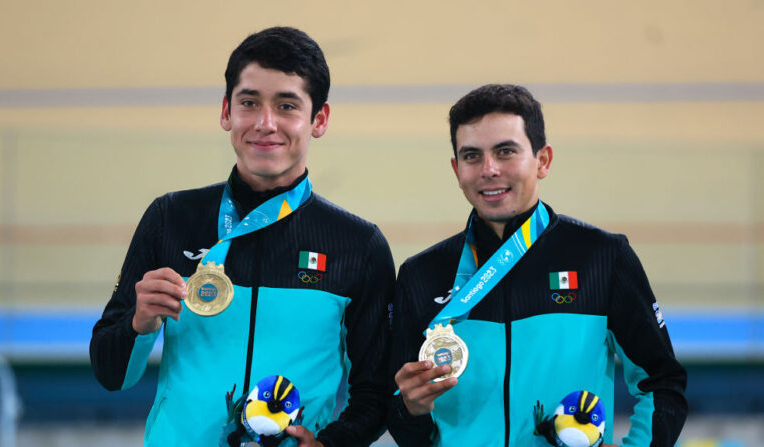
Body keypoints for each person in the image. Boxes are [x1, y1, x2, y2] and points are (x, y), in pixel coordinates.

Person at [89, 27, 395, 447]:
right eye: (249, 103)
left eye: (287, 105)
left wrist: (332, 442)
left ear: (318, 120)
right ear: (226, 112)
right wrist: (139, 323)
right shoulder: (170, 218)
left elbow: (376, 391)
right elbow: (110, 375)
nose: (265, 124)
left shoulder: (357, 246)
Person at [386, 84, 687, 446]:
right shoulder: (421, 275)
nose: (489, 170)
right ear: (456, 169)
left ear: (542, 160)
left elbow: (661, 382)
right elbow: (403, 424)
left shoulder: (601, 258)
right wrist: (409, 410)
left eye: (506, 151)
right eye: (471, 156)